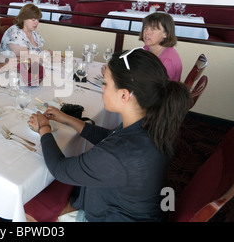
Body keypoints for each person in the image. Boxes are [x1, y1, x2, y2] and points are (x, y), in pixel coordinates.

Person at [28, 48, 191, 222]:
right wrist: (68, 120)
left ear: (124, 95)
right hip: (137, 207)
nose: (103, 88)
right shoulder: (152, 122)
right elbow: (110, 136)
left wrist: (44, 128)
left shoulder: (118, 155)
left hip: (108, 217)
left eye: (105, 83)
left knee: (29, 208)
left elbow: (59, 169)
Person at [139, 12, 182, 81]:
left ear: (166, 34)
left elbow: (153, 88)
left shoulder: (167, 62)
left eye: (153, 29)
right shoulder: (148, 48)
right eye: (145, 28)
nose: (147, 32)